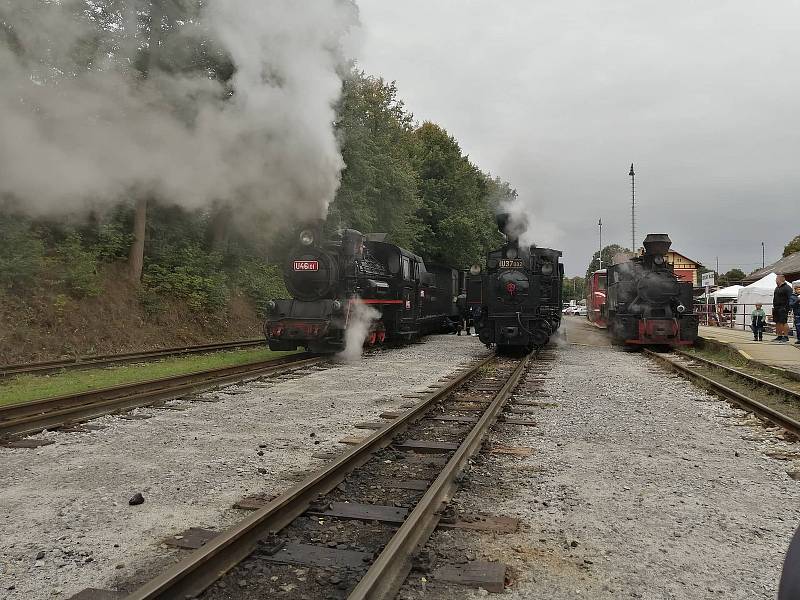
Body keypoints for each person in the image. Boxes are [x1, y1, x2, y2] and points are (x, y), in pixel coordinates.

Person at [773, 273, 793, 342]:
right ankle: (779, 336)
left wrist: (787, 307)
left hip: (783, 307)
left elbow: (791, 298)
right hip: (776, 307)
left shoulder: (787, 288)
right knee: (777, 322)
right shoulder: (777, 288)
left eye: (777, 279)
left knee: (783, 322)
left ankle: (786, 336)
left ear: (781, 279)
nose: (776, 280)